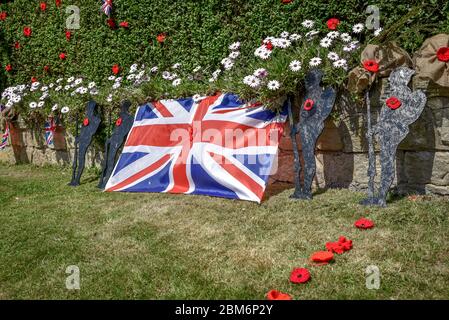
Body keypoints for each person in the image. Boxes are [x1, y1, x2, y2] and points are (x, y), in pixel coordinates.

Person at [362, 67, 427, 206]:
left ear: (401, 80)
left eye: (393, 79)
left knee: (387, 164)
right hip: (386, 132)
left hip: (392, 133)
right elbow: (385, 118)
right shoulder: (395, 94)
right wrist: (374, 129)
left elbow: (394, 119)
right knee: (386, 163)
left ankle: (382, 198)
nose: (390, 81)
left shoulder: (402, 95)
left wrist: (378, 128)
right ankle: (380, 196)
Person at [290, 69, 337, 199]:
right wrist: (298, 126)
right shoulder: (309, 94)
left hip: (311, 129)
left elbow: (318, 115)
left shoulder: (321, 94)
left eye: (308, 79)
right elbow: (305, 114)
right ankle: (301, 189)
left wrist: (302, 125)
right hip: (305, 128)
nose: (305, 82)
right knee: (305, 158)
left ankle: (306, 190)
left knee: (308, 158)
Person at [98, 100, 134, 189]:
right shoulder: (120, 118)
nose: (120, 110)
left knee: (111, 161)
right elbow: (116, 130)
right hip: (112, 140)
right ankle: (102, 181)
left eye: (122, 108)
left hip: (118, 141)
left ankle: (107, 182)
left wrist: (116, 138)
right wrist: (110, 138)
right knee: (106, 160)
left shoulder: (129, 118)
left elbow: (124, 131)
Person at [68, 100, 101, 186]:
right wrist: (78, 138)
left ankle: (77, 179)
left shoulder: (96, 119)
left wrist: (82, 137)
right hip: (82, 139)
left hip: (86, 140)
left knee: (81, 159)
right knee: (77, 159)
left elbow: (91, 131)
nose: (87, 109)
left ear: (92, 108)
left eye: (89, 107)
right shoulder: (87, 117)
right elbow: (83, 129)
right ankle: (73, 179)